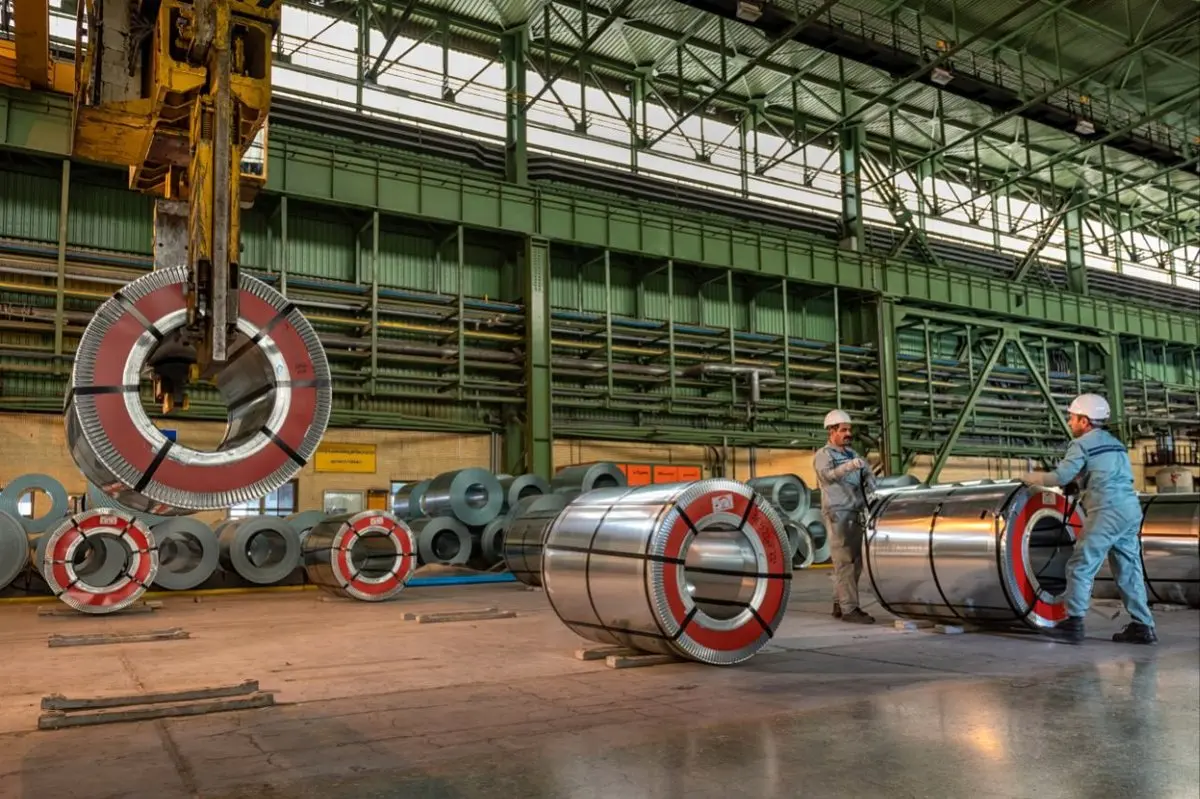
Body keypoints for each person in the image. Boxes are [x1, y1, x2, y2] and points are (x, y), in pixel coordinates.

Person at [1020, 393, 1156, 645]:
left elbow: (1059, 477)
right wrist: (1082, 483)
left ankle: (1073, 624)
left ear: (1085, 421)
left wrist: (1030, 478)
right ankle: (1143, 626)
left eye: (1072, 418)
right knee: (1128, 569)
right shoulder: (1115, 443)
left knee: (1080, 565)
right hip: (1130, 509)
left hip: (1107, 511)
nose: (1070, 422)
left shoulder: (1081, 444)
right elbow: (1107, 474)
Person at [813, 409, 877, 624]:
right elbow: (827, 476)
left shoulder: (852, 454)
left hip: (855, 510)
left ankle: (840, 604)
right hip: (838, 512)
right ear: (831, 431)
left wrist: (869, 479)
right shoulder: (824, 455)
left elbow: (866, 473)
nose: (848, 434)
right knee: (844, 562)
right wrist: (848, 467)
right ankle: (850, 609)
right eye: (843, 430)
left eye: (849, 430)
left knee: (855, 561)